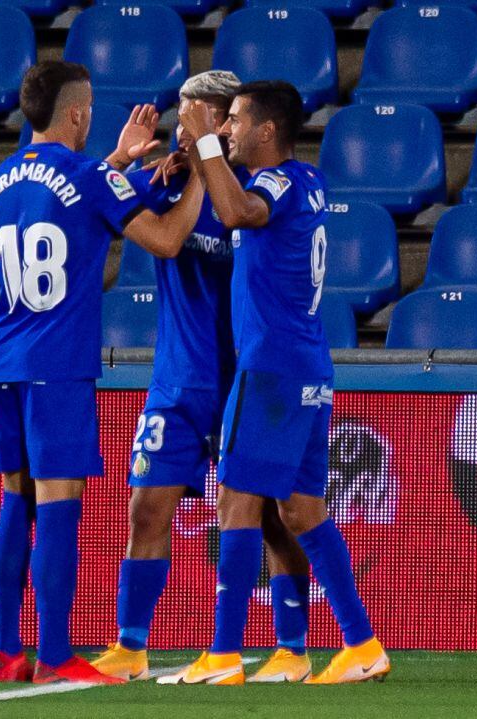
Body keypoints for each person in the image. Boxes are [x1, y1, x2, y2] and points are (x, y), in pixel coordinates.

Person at [0, 60, 205, 685]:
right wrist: (202, 178)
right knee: (60, 505)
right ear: (76, 114)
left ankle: (7, 650)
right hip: (57, 365)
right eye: (90, 107)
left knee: (15, 500)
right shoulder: (90, 175)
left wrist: (122, 164)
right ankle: (55, 655)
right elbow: (167, 240)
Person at [160, 81, 390, 685]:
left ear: (266, 130)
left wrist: (206, 145)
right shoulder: (309, 182)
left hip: (270, 370)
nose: (229, 128)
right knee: (303, 509)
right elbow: (239, 203)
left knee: (237, 502)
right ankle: (361, 645)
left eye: (235, 120)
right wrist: (199, 160)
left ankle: (224, 653)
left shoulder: (274, 186)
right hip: (309, 369)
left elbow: (238, 211)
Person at [92, 71, 316, 684]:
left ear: (229, 124)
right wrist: (127, 158)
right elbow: (92, 200)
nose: (184, 130)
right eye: (181, 118)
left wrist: (199, 169)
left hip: (244, 382)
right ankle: (131, 645)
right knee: (146, 507)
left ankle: (290, 645)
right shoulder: (164, 184)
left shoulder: (252, 195)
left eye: (200, 119)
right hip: (176, 381)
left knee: (271, 513)